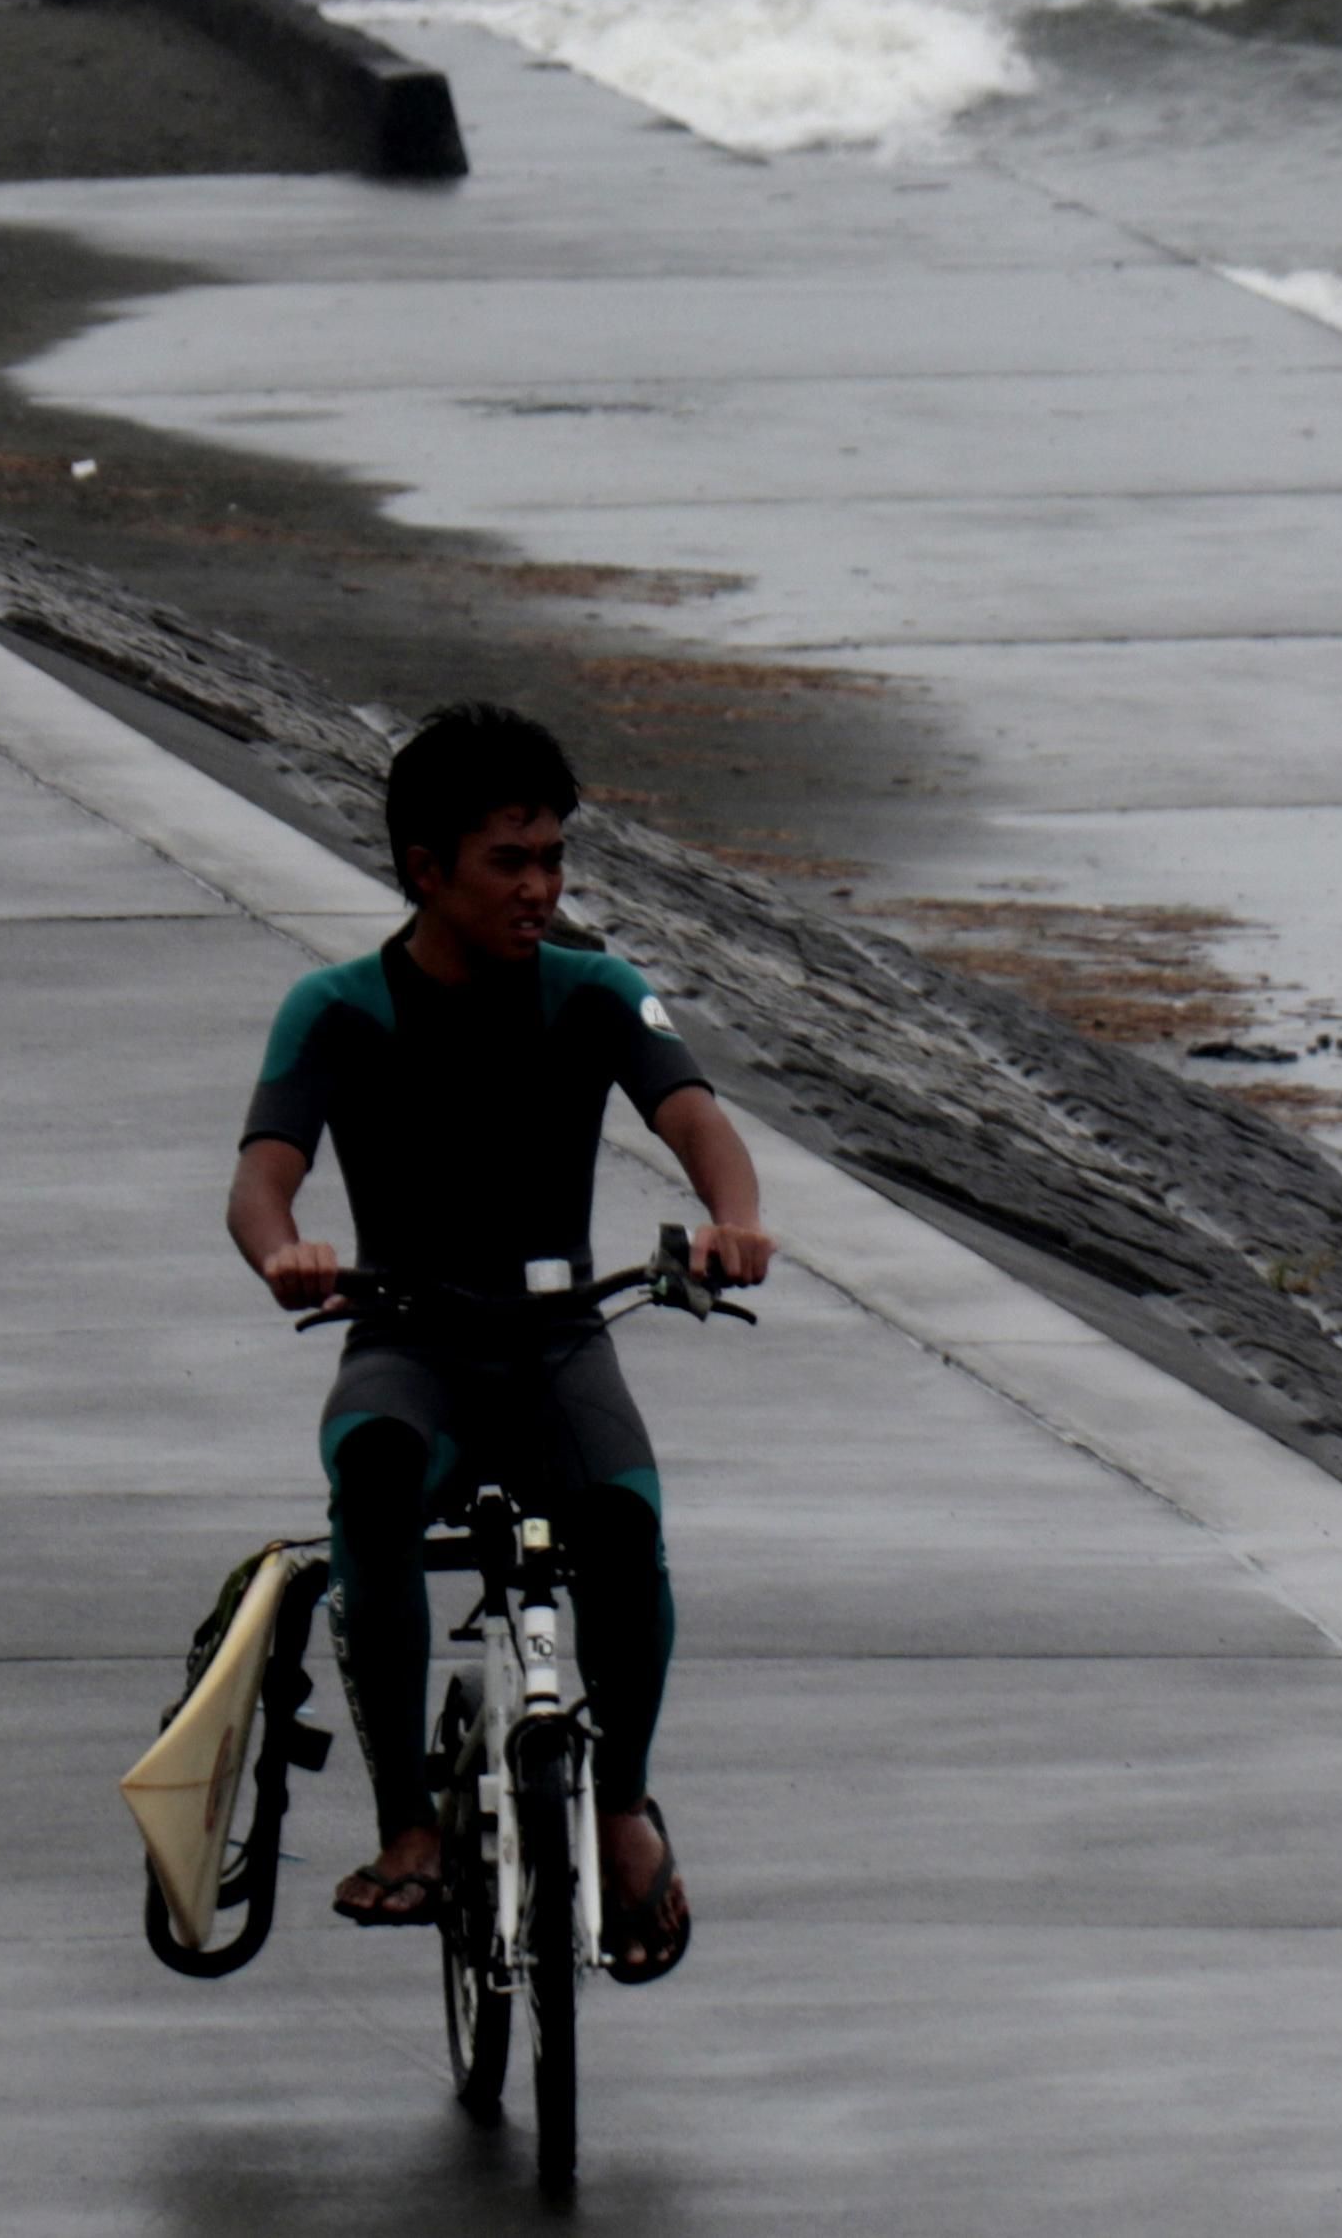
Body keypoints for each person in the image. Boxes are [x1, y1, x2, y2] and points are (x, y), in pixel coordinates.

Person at [223, 702, 774, 1983]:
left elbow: (697, 1120)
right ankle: (407, 1823)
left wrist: (734, 1221)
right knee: (369, 1470)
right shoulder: (338, 1009)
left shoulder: (595, 994)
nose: (540, 888)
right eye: (507, 862)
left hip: (557, 1343)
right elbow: (260, 1181)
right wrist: (284, 1252)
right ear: (425, 868)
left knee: (626, 1526)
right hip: (407, 1338)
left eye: (553, 858)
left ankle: (626, 1808)